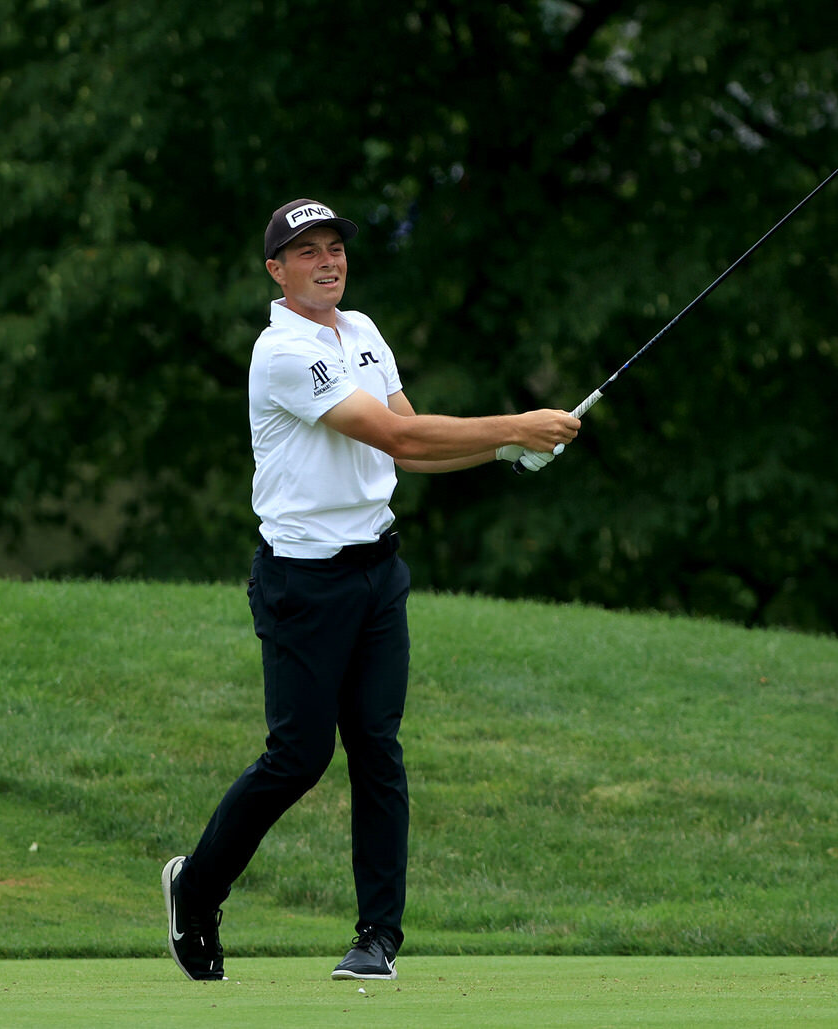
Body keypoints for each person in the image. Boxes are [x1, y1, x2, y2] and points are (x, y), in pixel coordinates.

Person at [163, 198, 579, 983]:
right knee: (298, 756)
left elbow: (411, 449)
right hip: (303, 579)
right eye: (309, 251)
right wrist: (514, 426)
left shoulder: (363, 333)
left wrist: (502, 455)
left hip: (377, 570)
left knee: (378, 750)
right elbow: (397, 436)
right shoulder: (281, 351)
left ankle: (377, 939)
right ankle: (197, 886)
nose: (329, 261)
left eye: (336, 248)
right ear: (276, 272)